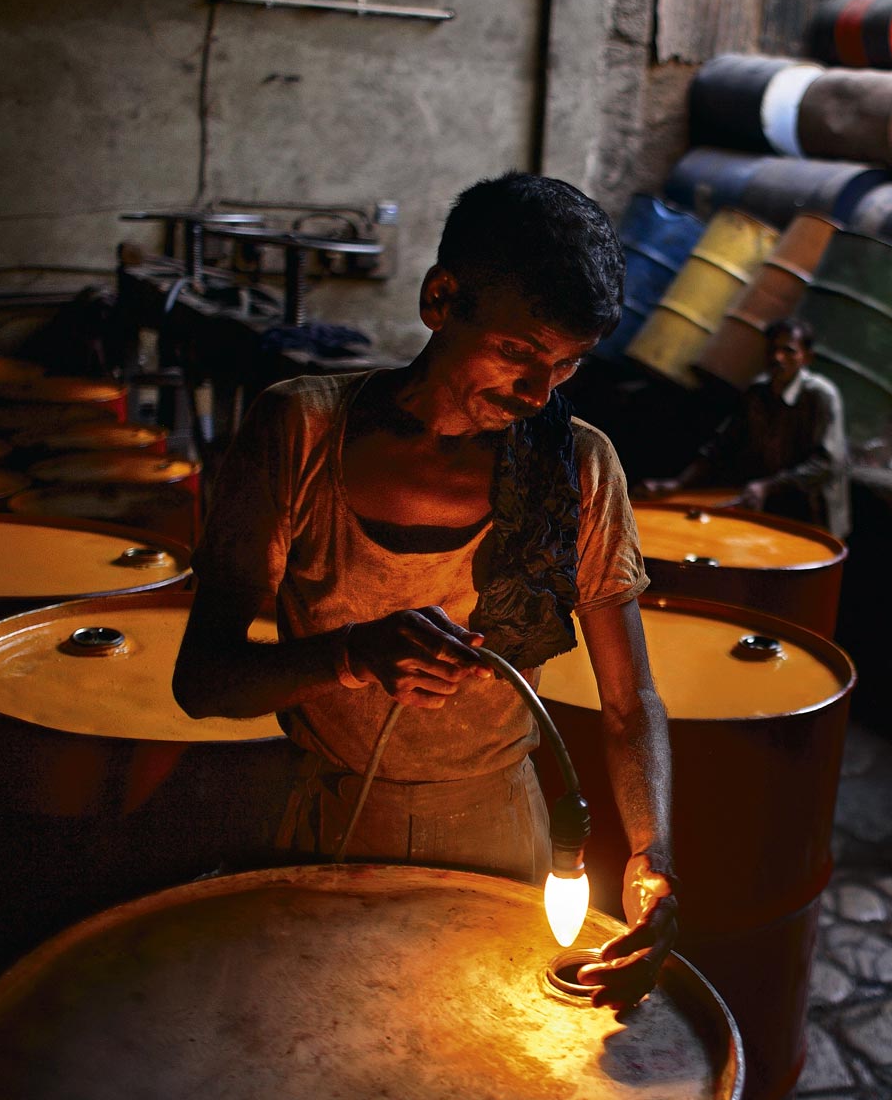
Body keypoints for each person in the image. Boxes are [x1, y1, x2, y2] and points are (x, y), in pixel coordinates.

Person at [173, 172, 675, 1008]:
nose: (537, 393)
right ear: (440, 298)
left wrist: (653, 860)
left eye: (567, 365)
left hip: (499, 833)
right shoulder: (302, 431)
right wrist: (349, 655)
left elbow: (630, 705)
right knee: (322, 1034)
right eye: (518, 352)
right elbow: (205, 679)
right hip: (321, 820)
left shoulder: (576, 469)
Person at [642, 318, 850, 538]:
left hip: (811, 513)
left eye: (788, 351)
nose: (777, 357)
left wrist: (767, 486)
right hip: (768, 506)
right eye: (772, 349)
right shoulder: (758, 392)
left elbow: (827, 463)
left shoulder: (821, 396)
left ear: (807, 358)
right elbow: (723, 444)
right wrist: (679, 483)